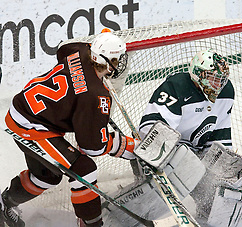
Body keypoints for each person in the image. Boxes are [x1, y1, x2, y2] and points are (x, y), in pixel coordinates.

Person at [0, 31, 139, 227]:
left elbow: (63, 49)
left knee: (47, 177)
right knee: (84, 170)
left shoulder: (81, 51)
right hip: (30, 125)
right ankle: (92, 224)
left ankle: (3, 203)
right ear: (105, 61)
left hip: (24, 108)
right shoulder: (95, 96)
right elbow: (93, 147)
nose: (119, 63)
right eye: (116, 59)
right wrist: (125, 145)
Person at [138, 50, 242, 226]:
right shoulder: (176, 87)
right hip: (162, 155)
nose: (219, 84)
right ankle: (145, 199)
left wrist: (220, 169)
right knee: (189, 168)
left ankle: (207, 203)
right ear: (198, 73)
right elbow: (149, 130)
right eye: (213, 78)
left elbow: (220, 132)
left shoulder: (226, 91)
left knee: (231, 175)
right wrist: (177, 160)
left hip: (197, 153)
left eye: (221, 79)